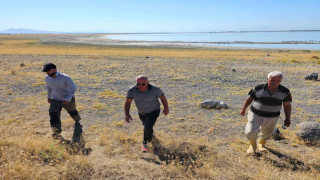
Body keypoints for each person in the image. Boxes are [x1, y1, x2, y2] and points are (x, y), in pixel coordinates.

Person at [240, 71, 292, 154]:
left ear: (281, 81)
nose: (274, 82)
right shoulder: (258, 88)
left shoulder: (285, 91)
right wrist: (243, 109)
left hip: (272, 116)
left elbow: (287, 105)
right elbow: (250, 98)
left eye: (277, 80)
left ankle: (261, 144)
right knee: (250, 131)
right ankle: (252, 145)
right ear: (267, 79)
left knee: (267, 132)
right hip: (255, 114)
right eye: (272, 80)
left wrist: (287, 118)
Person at [124, 75, 169, 152]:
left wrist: (166, 108)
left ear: (147, 83)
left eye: (143, 84)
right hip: (142, 113)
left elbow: (163, 98)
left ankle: (144, 144)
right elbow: (128, 102)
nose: (140, 86)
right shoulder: (132, 90)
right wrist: (127, 114)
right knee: (148, 127)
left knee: (147, 126)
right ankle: (151, 136)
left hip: (154, 111)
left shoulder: (155, 89)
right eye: (138, 84)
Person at [43, 63, 82, 139]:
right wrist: (49, 97)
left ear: (55, 69)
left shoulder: (65, 78)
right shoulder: (47, 78)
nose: (47, 73)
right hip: (55, 99)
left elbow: (73, 88)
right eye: (46, 71)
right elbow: (49, 87)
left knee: (73, 112)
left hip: (67, 99)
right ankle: (56, 132)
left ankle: (77, 121)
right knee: (53, 114)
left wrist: (67, 99)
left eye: (49, 71)